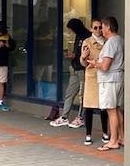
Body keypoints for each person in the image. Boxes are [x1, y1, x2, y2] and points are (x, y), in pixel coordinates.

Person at [50, 18, 92, 128]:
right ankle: (64, 117)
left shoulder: (88, 37)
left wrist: (75, 56)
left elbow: (87, 54)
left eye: (72, 29)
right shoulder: (78, 36)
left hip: (83, 69)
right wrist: (73, 55)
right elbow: (77, 52)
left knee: (83, 95)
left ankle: (80, 117)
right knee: (69, 93)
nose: (72, 32)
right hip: (75, 69)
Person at [93, 16, 124, 151]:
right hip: (119, 78)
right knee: (117, 109)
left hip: (109, 80)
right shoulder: (121, 40)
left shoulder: (111, 42)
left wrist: (96, 64)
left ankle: (113, 140)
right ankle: (122, 137)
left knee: (111, 110)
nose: (101, 30)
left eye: (103, 27)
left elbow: (105, 66)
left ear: (109, 28)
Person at [78, 18, 109, 146]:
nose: (98, 30)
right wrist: (84, 56)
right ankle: (88, 134)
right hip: (92, 77)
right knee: (89, 106)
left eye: (100, 27)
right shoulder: (87, 42)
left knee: (104, 107)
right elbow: (83, 63)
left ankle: (105, 132)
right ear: (91, 29)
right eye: (95, 28)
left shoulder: (107, 41)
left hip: (104, 75)